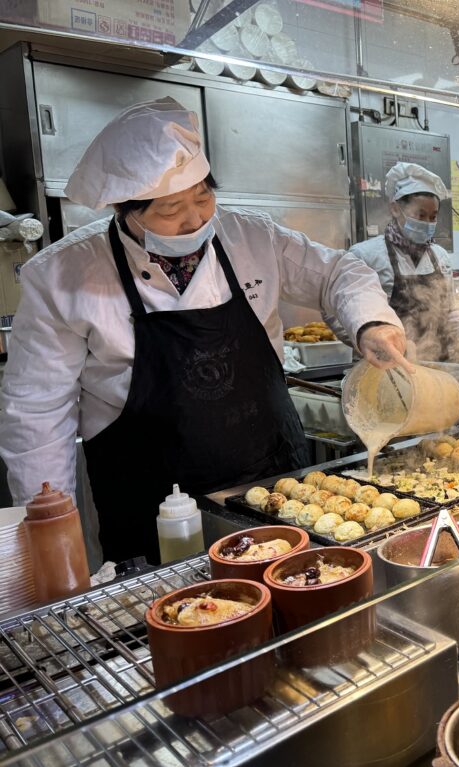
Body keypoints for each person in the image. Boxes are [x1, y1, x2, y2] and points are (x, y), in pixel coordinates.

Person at [0, 98, 410, 564]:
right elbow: (36, 416)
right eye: (171, 208)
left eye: (203, 196)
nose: (195, 218)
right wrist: (50, 537)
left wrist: (371, 322)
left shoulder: (251, 236)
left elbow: (340, 273)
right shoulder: (64, 274)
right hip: (149, 506)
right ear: (122, 208)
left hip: (272, 487)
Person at [348, 162, 459, 370]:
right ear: (395, 209)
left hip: (435, 365)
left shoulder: (439, 257)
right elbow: (350, 316)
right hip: (385, 367)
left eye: (433, 217)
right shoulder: (366, 256)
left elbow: (448, 313)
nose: (427, 223)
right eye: (420, 215)